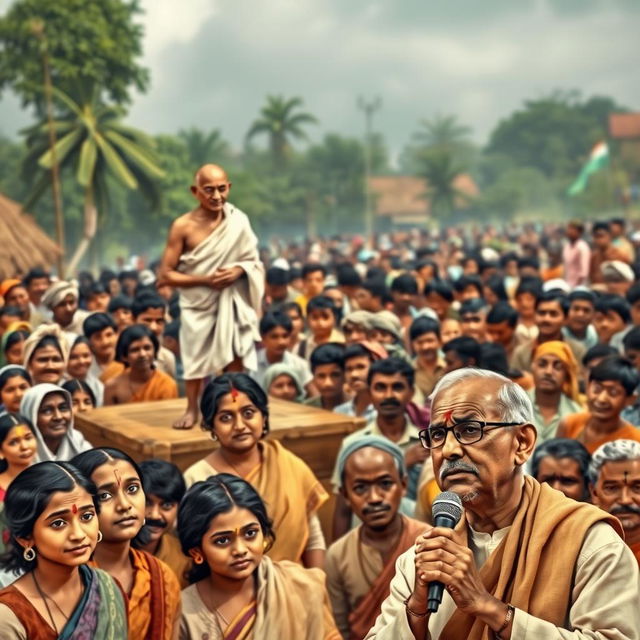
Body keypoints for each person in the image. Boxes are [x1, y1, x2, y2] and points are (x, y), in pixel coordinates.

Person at [365, 368, 638, 639]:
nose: (448, 450)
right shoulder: (423, 559)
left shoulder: (589, 543)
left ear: (522, 443)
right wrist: (415, 611)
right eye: (437, 435)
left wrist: (491, 610)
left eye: (469, 430)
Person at [183, 373, 328, 568]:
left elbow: (313, 538)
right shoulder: (197, 478)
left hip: (293, 588)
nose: (240, 425)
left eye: (248, 413)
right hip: (225, 593)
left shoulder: (289, 465)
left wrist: (316, 583)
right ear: (211, 426)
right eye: (226, 417)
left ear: (264, 417)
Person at [159, 164, 264, 429]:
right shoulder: (182, 226)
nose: (216, 196)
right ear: (195, 192)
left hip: (232, 299)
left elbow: (253, 260)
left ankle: (235, 406)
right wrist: (205, 280)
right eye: (208, 190)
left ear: (229, 188)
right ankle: (193, 409)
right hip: (198, 304)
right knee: (194, 358)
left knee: (235, 354)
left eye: (221, 189)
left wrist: (238, 270)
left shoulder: (238, 221)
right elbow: (166, 275)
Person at [178, 474, 341, 640]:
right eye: (223, 540)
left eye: (250, 533)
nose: (240, 550)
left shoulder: (301, 586)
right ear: (197, 552)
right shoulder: (183, 612)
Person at [0, 461, 128, 638]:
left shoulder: (108, 589)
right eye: (58, 523)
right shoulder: (8, 617)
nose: (78, 534)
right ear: (26, 538)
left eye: (87, 516)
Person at [71, 447, 181, 639]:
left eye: (132, 489)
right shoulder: (64, 580)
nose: (124, 504)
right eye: (105, 495)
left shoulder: (162, 578)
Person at [326, 437, 426, 639]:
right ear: (345, 496)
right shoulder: (337, 556)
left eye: (385, 484)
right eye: (360, 488)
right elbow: (339, 630)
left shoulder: (427, 542)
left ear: (403, 485)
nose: (374, 498)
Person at [332, 358, 426, 538]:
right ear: (369, 393)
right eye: (380, 387)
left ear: (411, 392)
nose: (388, 395)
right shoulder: (352, 444)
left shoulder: (425, 443)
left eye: (397, 387)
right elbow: (343, 510)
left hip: (416, 544)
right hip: (364, 543)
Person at [557, 356, 640, 452]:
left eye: (613, 393)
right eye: (597, 389)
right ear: (588, 387)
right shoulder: (570, 424)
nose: (601, 399)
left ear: (630, 399)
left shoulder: (634, 441)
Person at [136, 459, 190, 588]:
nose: (155, 515)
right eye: (147, 503)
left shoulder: (184, 559)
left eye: (166, 505)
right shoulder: (108, 551)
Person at [589, 439, 640, 564]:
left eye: (637, 488)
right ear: (594, 493)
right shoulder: (579, 547)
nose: (625, 500)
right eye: (612, 488)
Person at [511, 290, 585, 373]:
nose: (546, 319)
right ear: (534, 316)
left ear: (566, 319)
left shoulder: (577, 351)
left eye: (553, 314)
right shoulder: (521, 353)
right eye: (541, 313)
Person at [104, 324, 178, 405]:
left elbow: (170, 416)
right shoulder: (112, 386)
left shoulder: (166, 384)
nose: (142, 354)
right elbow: (107, 417)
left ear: (155, 352)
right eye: (135, 350)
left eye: (147, 348)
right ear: (124, 356)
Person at [528, 341, 583, 444]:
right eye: (542, 364)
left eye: (557, 367)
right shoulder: (514, 406)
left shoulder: (576, 414)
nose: (548, 372)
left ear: (566, 374)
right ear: (532, 368)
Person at [20, 384, 92, 462]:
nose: (58, 417)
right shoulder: (22, 450)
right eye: (47, 411)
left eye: (63, 408)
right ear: (30, 415)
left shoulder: (77, 441)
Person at [0, 413, 37, 551]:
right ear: (1, 451)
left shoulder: (48, 478)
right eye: (14, 442)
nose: (24, 446)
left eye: (28, 438)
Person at [253, 312, 312, 391]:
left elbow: (314, 397)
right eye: (274, 337)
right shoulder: (252, 364)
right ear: (263, 338)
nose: (281, 342)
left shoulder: (299, 365)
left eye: (285, 336)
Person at [131, 293, 177, 378]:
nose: (154, 327)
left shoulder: (167, 358)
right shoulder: (120, 355)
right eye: (147, 320)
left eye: (159, 321)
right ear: (133, 320)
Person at [335, 343, 379, 421]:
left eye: (361, 367)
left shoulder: (383, 413)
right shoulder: (339, 412)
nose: (354, 375)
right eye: (349, 369)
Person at [409, 316, 445, 403]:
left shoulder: (449, 366)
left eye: (430, 341)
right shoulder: (409, 371)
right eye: (420, 342)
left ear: (439, 341)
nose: (425, 347)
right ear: (412, 345)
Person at [298, 295, 345, 360]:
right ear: (307, 320)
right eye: (314, 317)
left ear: (335, 319)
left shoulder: (343, 343)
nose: (320, 323)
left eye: (325, 317)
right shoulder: (302, 347)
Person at [304, 343, 349, 410]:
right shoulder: (306, 408)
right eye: (321, 376)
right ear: (313, 378)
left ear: (345, 376)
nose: (328, 383)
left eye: (335, 375)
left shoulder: (358, 408)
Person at [83, 312, 124, 384]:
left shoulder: (127, 361)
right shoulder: (84, 366)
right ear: (88, 341)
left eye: (109, 335)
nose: (105, 342)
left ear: (117, 335)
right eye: (97, 337)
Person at [67, 335, 103, 407]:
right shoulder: (56, 385)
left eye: (86, 356)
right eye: (73, 357)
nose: (81, 361)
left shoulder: (98, 387)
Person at [590, 221, 630, 285]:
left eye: (601, 236)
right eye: (596, 237)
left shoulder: (620, 255)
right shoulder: (593, 257)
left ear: (610, 236)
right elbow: (592, 277)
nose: (599, 240)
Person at [562, 220, 591, 288]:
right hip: (567, 284)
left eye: (572, 229)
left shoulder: (582, 247)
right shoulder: (567, 246)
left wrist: (576, 287)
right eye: (568, 229)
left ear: (579, 232)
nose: (569, 232)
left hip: (579, 286)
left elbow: (584, 273)